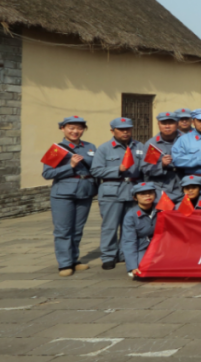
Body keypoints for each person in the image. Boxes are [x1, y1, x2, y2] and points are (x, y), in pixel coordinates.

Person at [44, 116, 96, 276]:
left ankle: (74, 259)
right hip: (63, 193)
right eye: (71, 128)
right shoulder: (56, 149)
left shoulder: (90, 147)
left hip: (85, 191)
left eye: (79, 128)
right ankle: (65, 263)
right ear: (63, 129)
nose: (75, 131)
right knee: (63, 230)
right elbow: (47, 173)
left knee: (78, 229)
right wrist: (70, 166)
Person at [91, 117, 143, 270]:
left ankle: (124, 254)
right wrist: (117, 169)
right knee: (110, 226)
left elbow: (145, 168)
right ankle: (108, 256)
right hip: (112, 192)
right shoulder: (104, 148)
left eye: (128, 129)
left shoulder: (139, 146)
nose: (125, 132)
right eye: (121, 129)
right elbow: (95, 171)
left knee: (130, 225)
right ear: (112, 131)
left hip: (133, 190)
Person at [172, 108, 201, 198]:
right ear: (193, 122)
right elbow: (176, 160)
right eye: (200, 121)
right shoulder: (184, 139)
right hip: (195, 184)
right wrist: (199, 157)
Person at [140, 111, 184, 202]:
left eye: (171, 123)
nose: (167, 126)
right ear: (159, 124)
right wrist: (162, 165)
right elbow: (146, 169)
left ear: (177, 124)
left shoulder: (186, 139)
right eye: (163, 123)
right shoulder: (153, 144)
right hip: (161, 188)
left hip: (183, 185)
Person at [120, 182, 158, 279]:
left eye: (150, 192)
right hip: (142, 246)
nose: (148, 195)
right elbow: (129, 241)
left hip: (160, 245)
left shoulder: (161, 209)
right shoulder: (131, 215)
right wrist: (132, 266)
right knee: (142, 269)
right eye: (142, 193)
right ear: (135, 198)